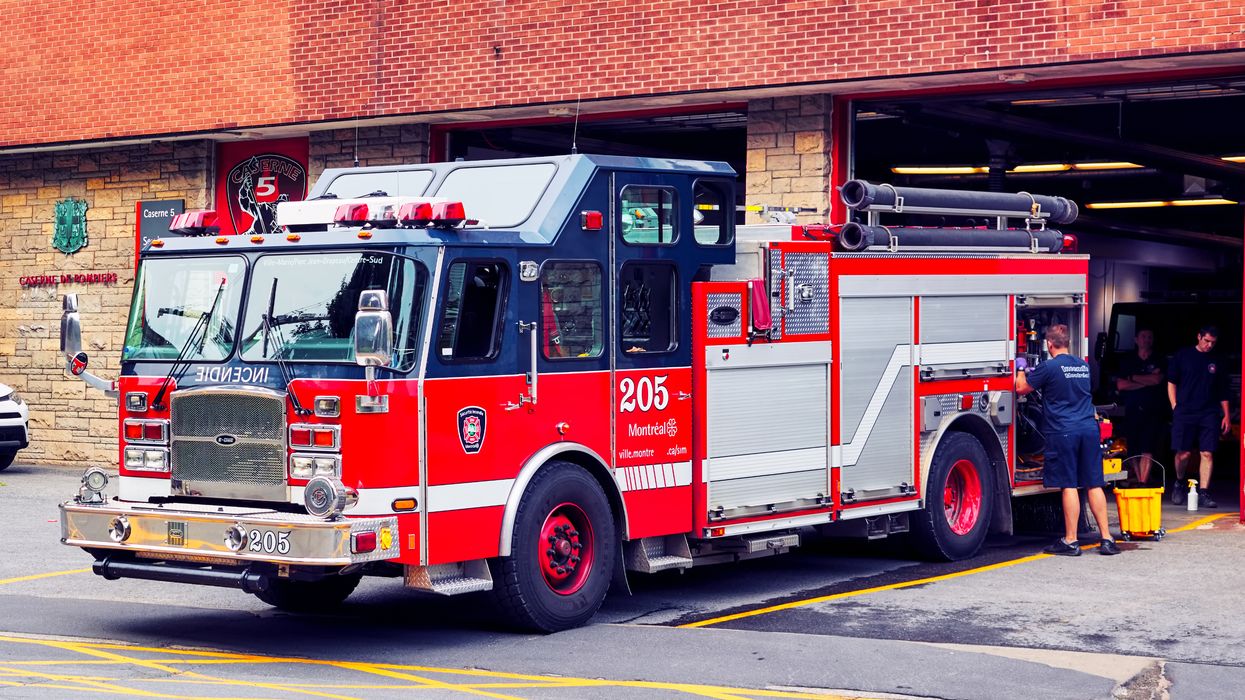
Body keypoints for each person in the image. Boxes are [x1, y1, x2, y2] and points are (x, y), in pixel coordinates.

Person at [1016, 324, 1121, 556]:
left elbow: (1022, 389)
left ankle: (1071, 541)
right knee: (1094, 483)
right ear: (1068, 343)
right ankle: (1106, 538)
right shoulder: (1082, 366)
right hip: (1088, 429)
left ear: (1049, 344)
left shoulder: (1048, 367)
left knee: (1069, 484)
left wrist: (1021, 368)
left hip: (1064, 432)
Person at [1167, 325, 1230, 508]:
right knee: (1183, 453)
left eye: (1213, 342)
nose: (1209, 345)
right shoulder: (1183, 355)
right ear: (1199, 337)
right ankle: (1179, 482)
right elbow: (1171, 382)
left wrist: (1225, 415)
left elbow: (1223, 390)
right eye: (1206, 341)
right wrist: (1174, 405)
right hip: (1184, 411)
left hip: (1209, 412)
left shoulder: (1217, 360)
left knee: (1207, 452)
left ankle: (1203, 492)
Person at [1113, 328, 1166, 485]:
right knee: (1134, 447)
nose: (1146, 339)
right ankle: (1139, 476)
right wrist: (1146, 381)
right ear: (1136, 340)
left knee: (1148, 446)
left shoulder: (1159, 359)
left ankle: (1143, 482)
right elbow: (1121, 385)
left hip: (1153, 410)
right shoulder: (1127, 360)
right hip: (1132, 409)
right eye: (1143, 336)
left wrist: (1133, 378)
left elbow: (1157, 380)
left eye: (1150, 337)